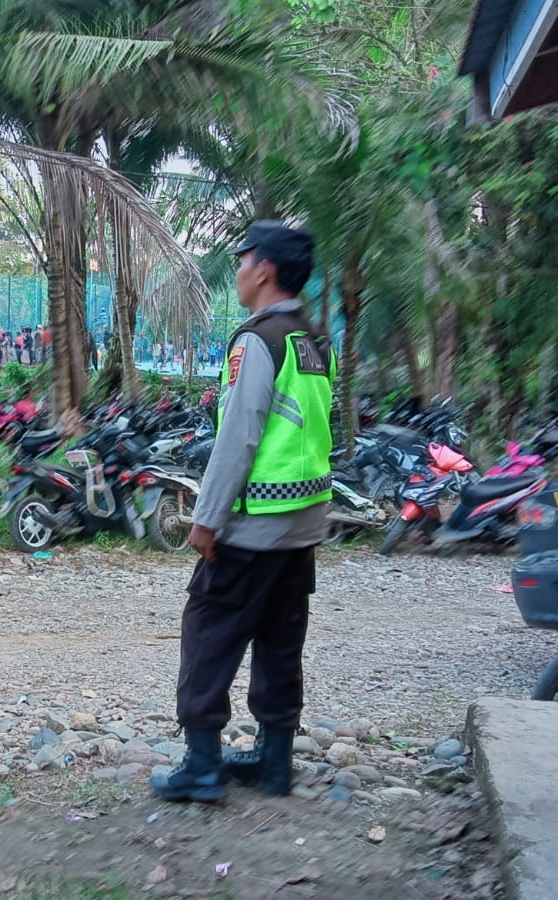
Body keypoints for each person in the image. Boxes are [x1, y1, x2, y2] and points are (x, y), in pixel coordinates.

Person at [151, 221, 332, 803]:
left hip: (254, 525)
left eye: (242, 259)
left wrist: (206, 519)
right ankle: (275, 763)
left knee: (208, 631)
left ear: (265, 270)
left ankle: (202, 765)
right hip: (302, 523)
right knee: (281, 640)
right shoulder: (311, 338)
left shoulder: (259, 339)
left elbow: (239, 437)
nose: (237, 271)